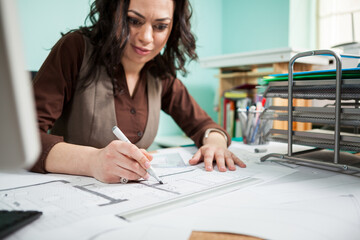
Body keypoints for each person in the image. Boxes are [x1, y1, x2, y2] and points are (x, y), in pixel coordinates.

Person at [31, 0, 246, 183]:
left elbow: (205, 126)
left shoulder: (161, 74)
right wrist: (93, 161)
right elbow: (22, 140)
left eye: (160, 26)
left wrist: (216, 143)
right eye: (133, 21)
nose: (146, 37)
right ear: (113, 13)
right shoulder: (75, 49)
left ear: (173, 28)